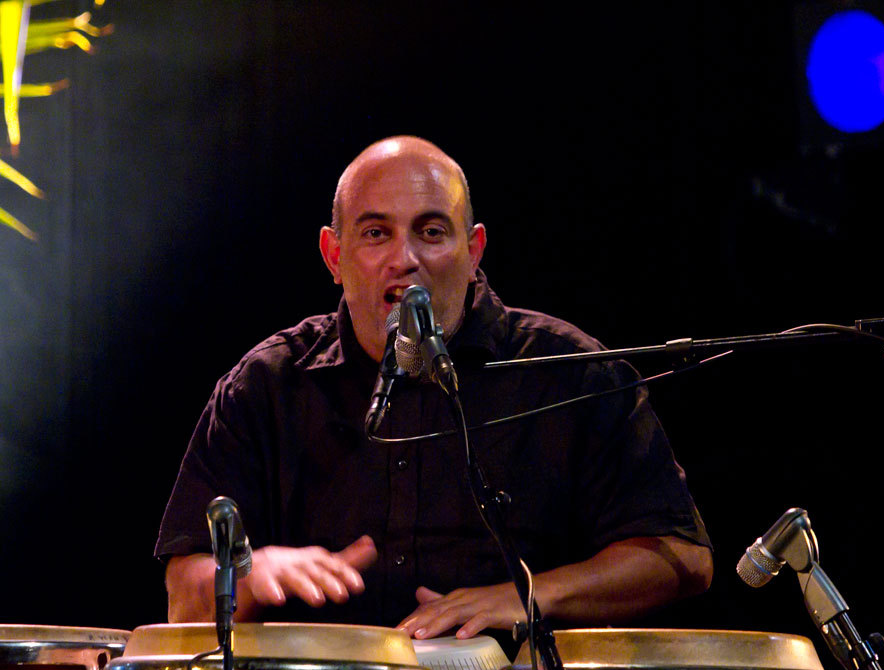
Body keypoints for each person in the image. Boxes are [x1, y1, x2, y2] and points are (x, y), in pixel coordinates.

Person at [157, 136, 712, 639]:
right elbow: (183, 597)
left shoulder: (572, 372)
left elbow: (681, 557)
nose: (405, 260)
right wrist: (247, 576)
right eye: (376, 234)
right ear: (334, 256)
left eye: (431, 232)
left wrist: (525, 596)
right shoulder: (265, 387)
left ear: (474, 252)